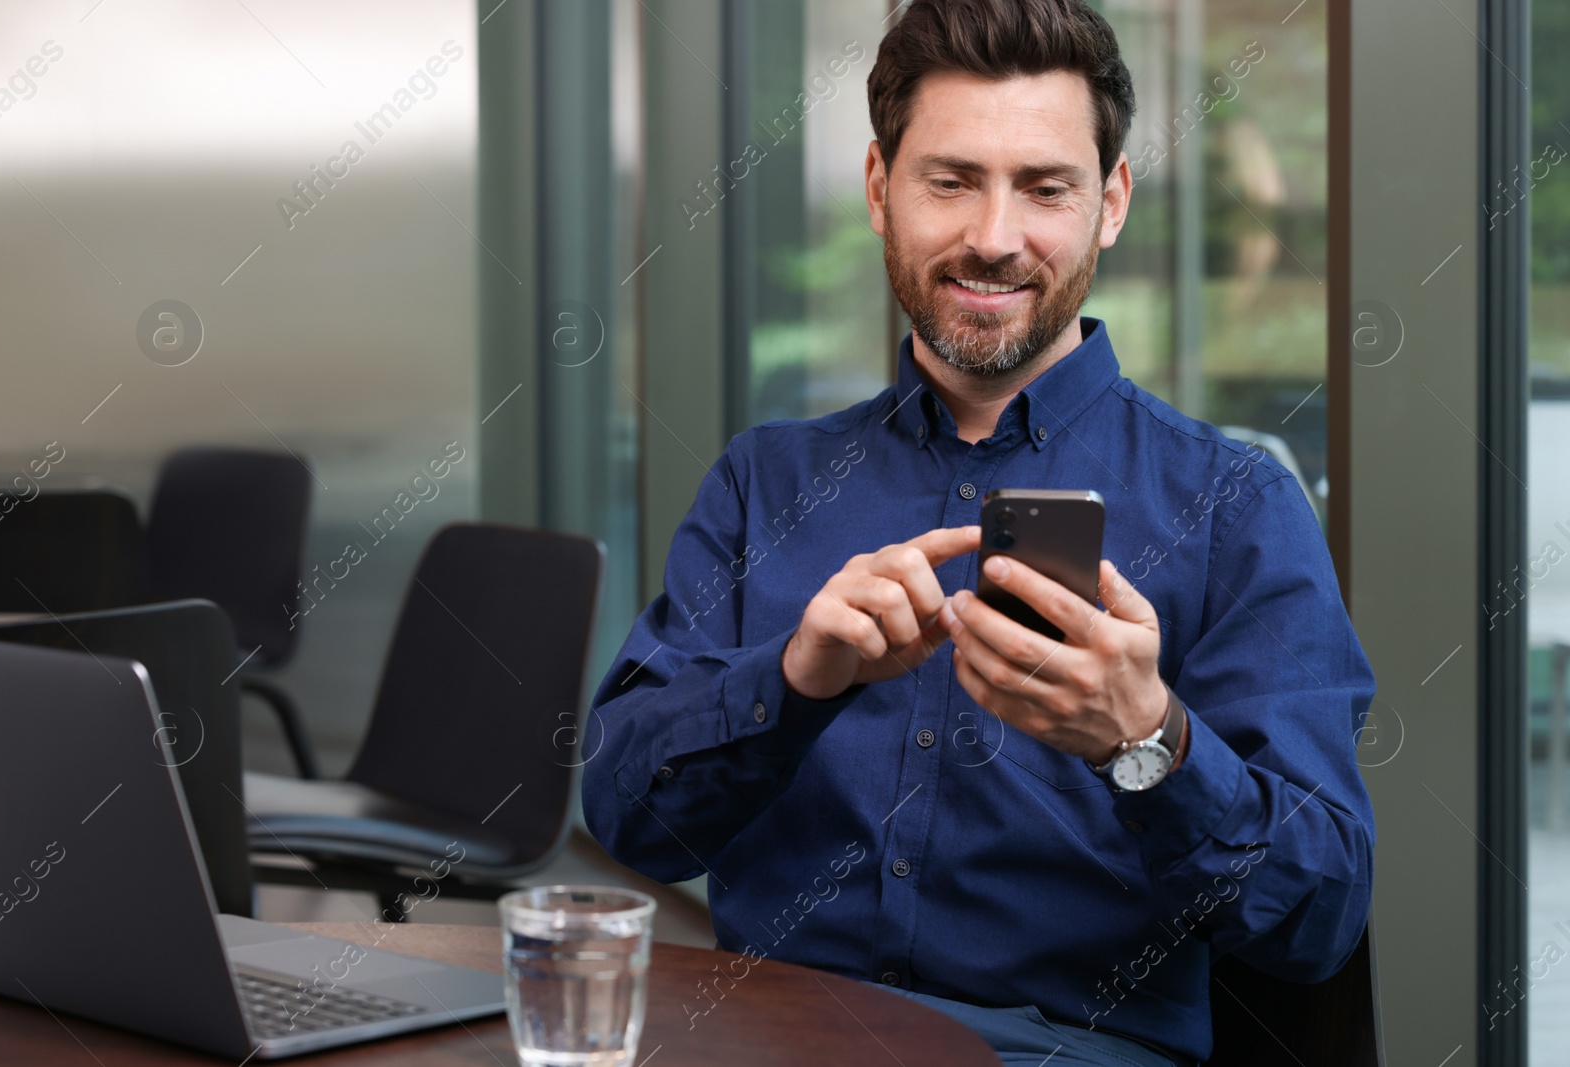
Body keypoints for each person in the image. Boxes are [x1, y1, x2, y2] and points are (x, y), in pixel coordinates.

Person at [581, 1, 1374, 1063]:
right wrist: (795, 677)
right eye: (950, 180)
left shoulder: (1235, 505)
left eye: (1045, 188)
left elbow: (1318, 918)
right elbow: (627, 815)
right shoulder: (764, 480)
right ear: (879, 190)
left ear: (1111, 202)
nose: (993, 238)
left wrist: (1146, 741)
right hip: (768, 1039)